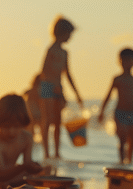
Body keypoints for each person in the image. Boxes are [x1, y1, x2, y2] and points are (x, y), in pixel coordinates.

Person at [38, 16, 84, 159]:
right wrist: (53, 85)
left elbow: (68, 74)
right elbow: (43, 71)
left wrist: (77, 94)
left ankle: (57, 152)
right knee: (46, 120)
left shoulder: (65, 53)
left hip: (58, 88)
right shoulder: (51, 50)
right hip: (47, 87)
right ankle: (47, 153)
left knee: (58, 121)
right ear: (62, 33)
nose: (70, 37)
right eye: (69, 34)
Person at [97, 48, 133, 164]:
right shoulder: (117, 79)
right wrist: (101, 111)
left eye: (129, 60)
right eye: (123, 60)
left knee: (132, 138)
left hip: (132, 113)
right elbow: (108, 96)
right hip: (119, 112)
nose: (126, 63)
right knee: (122, 138)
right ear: (119, 61)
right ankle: (121, 161)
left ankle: (129, 160)